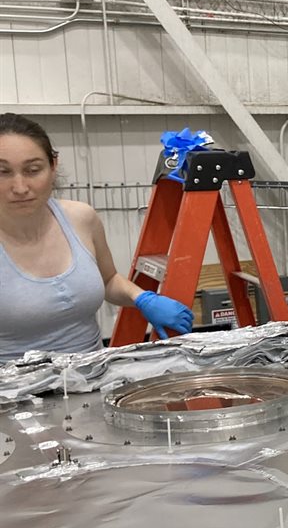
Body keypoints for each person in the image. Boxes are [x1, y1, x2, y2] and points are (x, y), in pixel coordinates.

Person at [0, 113, 193, 360]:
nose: (20, 187)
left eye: (33, 170)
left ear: (53, 166)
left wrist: (141, 298)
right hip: (14, 392)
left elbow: (108, 279)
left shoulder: (81, 218)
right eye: (3, 172)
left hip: (89, 379)